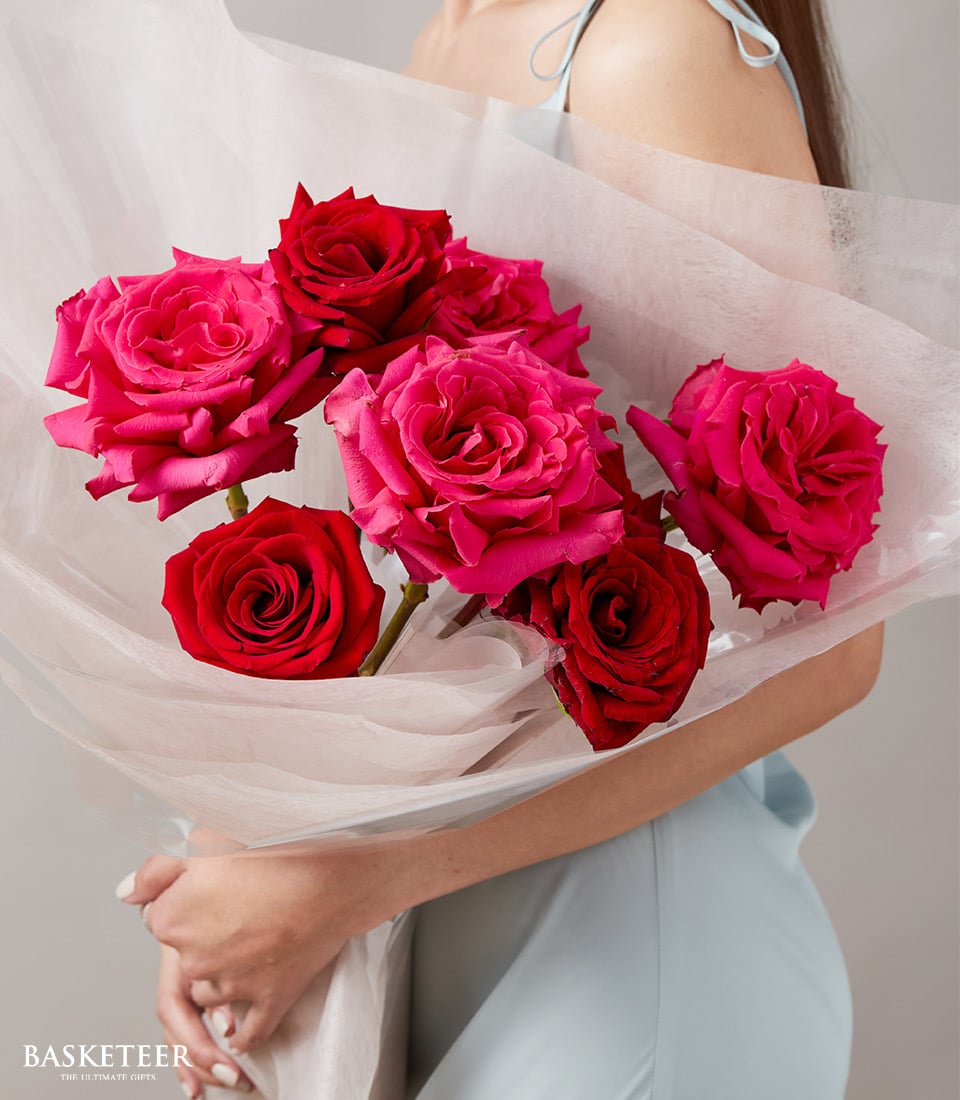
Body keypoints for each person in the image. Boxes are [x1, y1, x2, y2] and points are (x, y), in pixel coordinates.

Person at [118, 2, 884, 1097]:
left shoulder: (653, 49)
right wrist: (252, 853)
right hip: (434, 906)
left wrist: (369, 876)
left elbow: (840, 653)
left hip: (634, 944)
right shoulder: (458, 26)